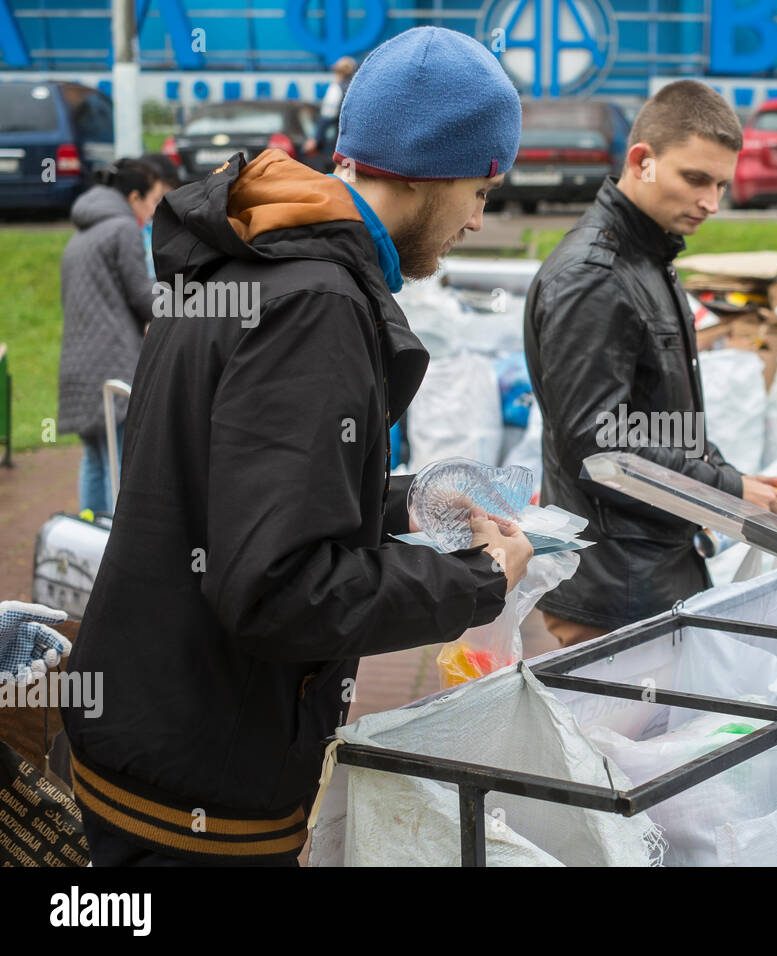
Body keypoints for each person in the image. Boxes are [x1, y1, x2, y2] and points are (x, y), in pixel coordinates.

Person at [61, 26, 532, 866]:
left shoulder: (245, 254)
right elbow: (277, 588)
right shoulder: (315, 305)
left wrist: (409, 505)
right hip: (200, 786)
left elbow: (233, 487)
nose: (476, 218)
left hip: (147, 733)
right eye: (480, 187)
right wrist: (475, 579)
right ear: (431, 171)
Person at [523, 80, 777, 647]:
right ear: (642, 161)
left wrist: (734, 484)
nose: (711, 203)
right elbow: (599, 447)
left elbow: (657, 418)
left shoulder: (648, 255)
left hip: (648, 567)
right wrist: (723, 487)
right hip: (615, 585)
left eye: (722, 184)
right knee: (622, 738)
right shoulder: (595, 277)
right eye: (695, 179)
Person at [57, 159, 162, 516]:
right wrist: (185, 301)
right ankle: (115, 548)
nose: (152, 212)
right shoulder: (122, 229)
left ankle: (91, 534)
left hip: (77, 364)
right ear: (134, 197)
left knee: (94, 459)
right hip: (112, 361)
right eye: (152, 201)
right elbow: (142, 296)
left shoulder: (81, 234)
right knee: (120, 461)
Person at [304, 56, 357, 162]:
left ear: (338, 72)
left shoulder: (336, 88)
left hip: (338, 145)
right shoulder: (357, 89)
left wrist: (316, 139)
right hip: (355, 146)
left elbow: (327, 116)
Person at [138, 153, 182, 281]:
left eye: (160, 199)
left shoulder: (181, 227)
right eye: (154, 199)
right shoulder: (138, 227)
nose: (154, 208)